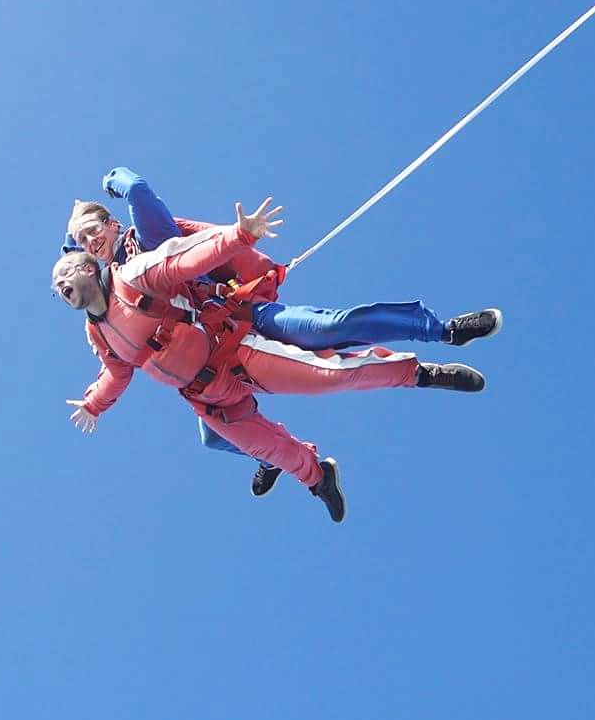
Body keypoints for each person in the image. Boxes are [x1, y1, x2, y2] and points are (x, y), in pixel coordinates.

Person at [63, 167, 502, 495]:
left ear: (112, 223)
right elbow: (115, 366)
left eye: (93, 231)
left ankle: (441, 333)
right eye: (83, 244)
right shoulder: (109, 299)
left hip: (240, 320)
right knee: (215, 437)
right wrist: (95, 403)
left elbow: (143, 197)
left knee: (331, 330)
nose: (91, 243)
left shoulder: (142, 251)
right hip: (209, 372)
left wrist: (114, 180)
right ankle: (281, 462)